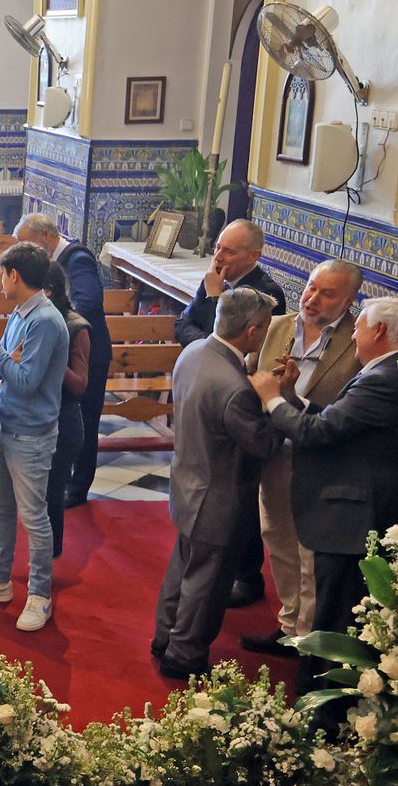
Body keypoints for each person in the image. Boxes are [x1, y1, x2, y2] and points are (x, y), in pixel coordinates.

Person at [250, 296, 398, 697]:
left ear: (379, 331)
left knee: (336, 613)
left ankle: (318, 706)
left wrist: (271, 399)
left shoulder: (383, 380)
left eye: (359, 326)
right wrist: (293, 396)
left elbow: (318, 433)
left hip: (357, 517)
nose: (353, 335)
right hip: (379, 507)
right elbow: (339, 419)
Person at [153, 288, 282, 679]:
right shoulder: (235, 386)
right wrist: (280, 399)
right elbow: (263, 444)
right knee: (206, 584)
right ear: (253, 331)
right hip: (219, 498)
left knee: (182, 567)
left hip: (188, 483)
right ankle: (184, 655)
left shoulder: (193, 354)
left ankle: (164, 637)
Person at [241, 260, 363, 658]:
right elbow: (250, 379)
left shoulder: (357, 340)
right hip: (277, 457)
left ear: (348, 300)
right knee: (278, 539)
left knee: (310, 553)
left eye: (327, 293)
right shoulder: (277, 326)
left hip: (324, 463)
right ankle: (289, 623)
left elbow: (351, 409)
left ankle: (310, 638)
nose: (312, 298)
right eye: (311, 287)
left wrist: (291, 399)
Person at [0, 242, 69, 632]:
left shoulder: (45, 321)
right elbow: (4, 369)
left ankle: (39, 596)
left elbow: (23, 380)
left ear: (14, 275)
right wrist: (2, 354)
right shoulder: (21, 312)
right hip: (5, 424)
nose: (1, 281)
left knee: (35, 519)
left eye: (2, 274)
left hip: (31, 435)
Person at [174, 219, 287, 609]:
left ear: (254, 256)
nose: (218, 256)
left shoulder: (267, 296)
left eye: (228, 251)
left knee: (239, 493)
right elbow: (182, 326)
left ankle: (245, 574)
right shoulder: (214, 281)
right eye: (219, 247)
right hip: (211, 391)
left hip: (240, 399)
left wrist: (210, 310)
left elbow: (218, 337)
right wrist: (209, 345)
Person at [14, 212, 111, 512]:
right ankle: (60, 478)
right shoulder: (49, 261)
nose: (25, 253)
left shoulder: (77, 259)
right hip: (64, 351)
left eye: (27, 244)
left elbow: (89, 301)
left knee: (85, 420)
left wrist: (52, 318)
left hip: (86, 352)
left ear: (45, 236)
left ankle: (79, 487)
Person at [42, 264, 90, 559]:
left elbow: (80, 385)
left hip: (64, 421)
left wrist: (51, 359)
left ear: (47, 291)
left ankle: (50, 557)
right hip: (37, 417)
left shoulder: (76, 326)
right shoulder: (34, 318)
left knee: (51, 493)